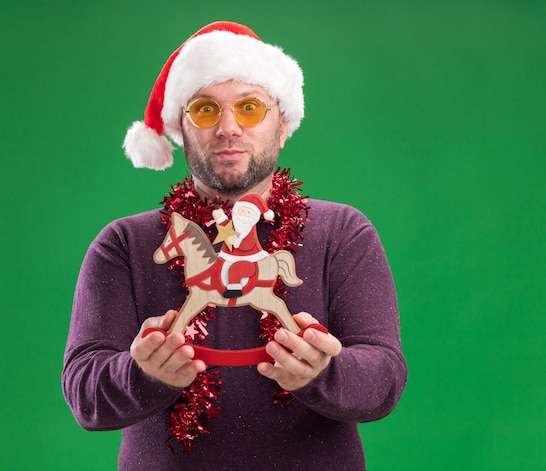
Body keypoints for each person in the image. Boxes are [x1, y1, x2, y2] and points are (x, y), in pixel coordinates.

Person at [62, 21, 407, 470]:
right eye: (205, 111)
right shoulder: (123, 244)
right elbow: (84, 396)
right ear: (180, 131)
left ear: (282, 126)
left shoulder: (344, 232)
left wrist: (325, 373)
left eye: (249, 108)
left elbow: (385, 382)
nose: (228, 128)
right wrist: (142, 374)